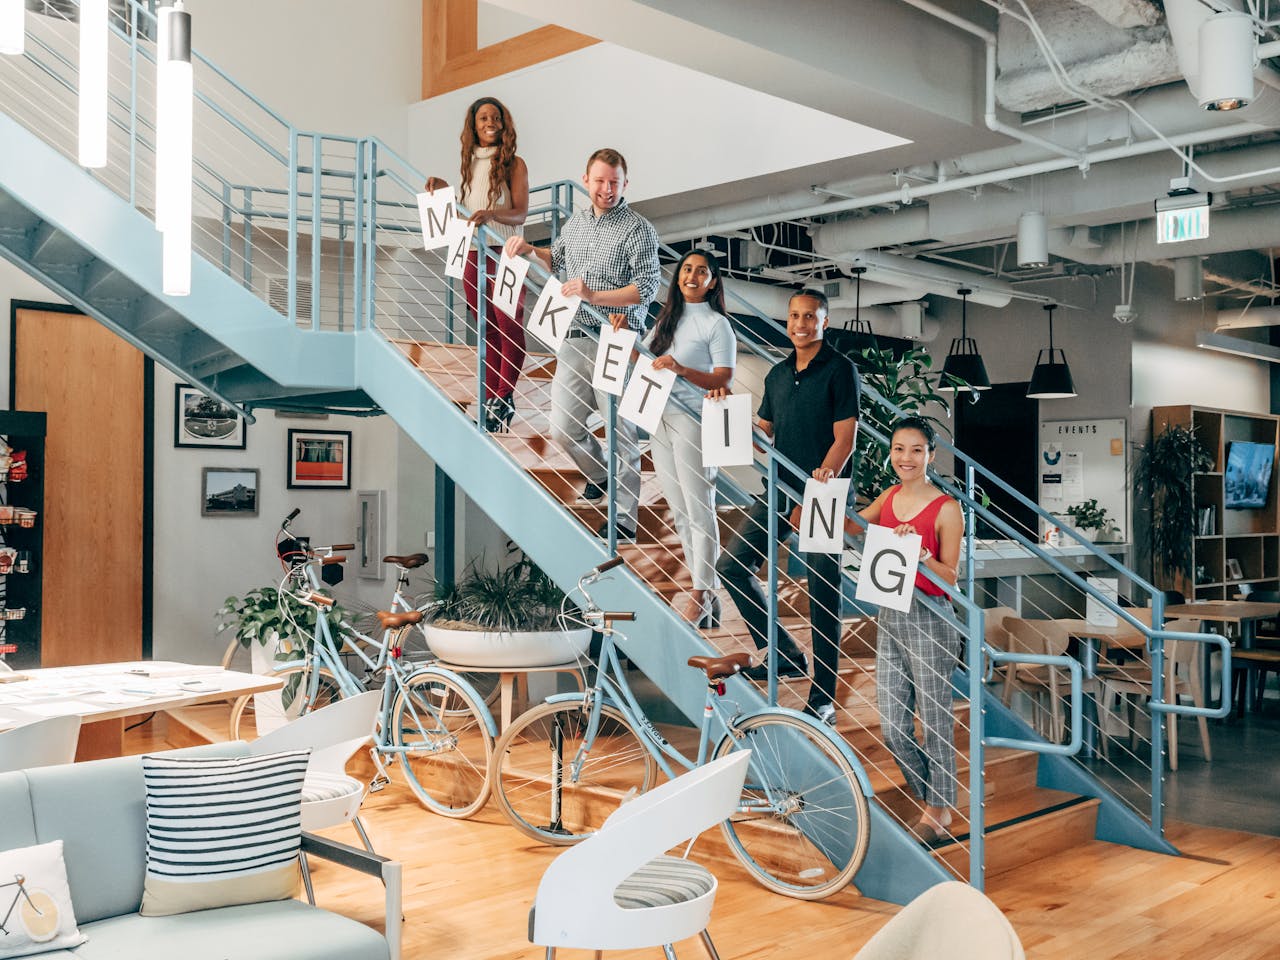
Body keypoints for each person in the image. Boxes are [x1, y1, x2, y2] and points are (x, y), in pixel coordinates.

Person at [713, 289, 860, 724]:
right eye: (794, 315)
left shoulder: (840, 369)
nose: (800, 323)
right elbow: (763, 432)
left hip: (825, 493)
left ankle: (824, 694)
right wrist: (725, 411)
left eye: (810, 316)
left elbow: (845, 438)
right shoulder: (777, 374)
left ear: (824, 321)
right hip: (780, 488)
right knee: (731, 566)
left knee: (822, 592)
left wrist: (825, 478)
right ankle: (784, 653)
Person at [504, 148, 660, 542]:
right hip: (573, 339)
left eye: (615, 182)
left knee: (621, 432)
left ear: (626, 183)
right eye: (600, 181)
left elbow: (647, 288)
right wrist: (529, 250)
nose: (607, 189)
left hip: (615, 339)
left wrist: (595, 295)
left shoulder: (638, 229)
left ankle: (624, 519)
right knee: (562, 427)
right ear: (586, 180)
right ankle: (598, 474)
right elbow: (558, 261)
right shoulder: (575, 224)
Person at [852, 416, 964, 843]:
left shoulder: (946, 508)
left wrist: (918, 553)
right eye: (899, 449)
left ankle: (938, 811)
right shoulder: (888, 496)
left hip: (931, 615)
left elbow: (950, 577)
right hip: (891, 613)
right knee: (893, 727)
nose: (906, 458)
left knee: (934, 720)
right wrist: (821, 493)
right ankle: (933, 797)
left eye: (916, 450)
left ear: (930, 455)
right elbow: (850, 528)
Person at [611, 250, 736, 626]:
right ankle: (707, 592)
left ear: (713, 281)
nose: (692, 276)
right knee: (680, 511)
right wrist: (623, 334)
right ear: (678, 276)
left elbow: (723, 379)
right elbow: (645, 362)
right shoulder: (667, 318)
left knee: (700, 507)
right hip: (659, 416)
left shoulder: (717, 325)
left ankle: (700, 592)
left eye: (702, 271)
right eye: (686, 269)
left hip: (694, 419)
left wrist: (681, 369)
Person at [425, 96, 529, 432]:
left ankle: (504, 395)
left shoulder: (514, 164)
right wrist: (444, 191)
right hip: (472, 250)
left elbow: (521, 212)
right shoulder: (469, 164)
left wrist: (492, 213)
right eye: (483, 118)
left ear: (504, 123)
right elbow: (466, 213)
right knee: (484, 324)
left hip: (505, 252)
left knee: (507, 323)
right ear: (473, 125)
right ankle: (488, 398)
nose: (490, 123)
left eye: (496, 117)